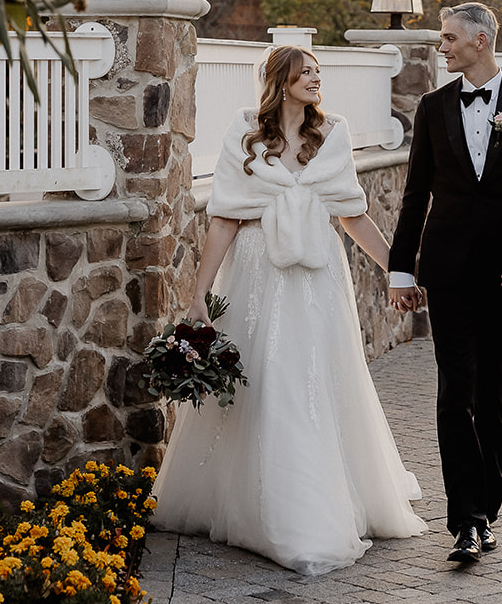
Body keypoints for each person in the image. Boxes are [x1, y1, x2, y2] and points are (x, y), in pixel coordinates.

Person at [153, 46, 427, 576]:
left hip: (318, 278)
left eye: (319, 73)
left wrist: (399, 270)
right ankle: (267, 507)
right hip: (259, 276)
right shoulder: (244, 132)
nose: (317, 80)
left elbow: (353, 215)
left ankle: (322, 499)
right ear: (280, 82)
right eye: (306, 74)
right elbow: (224, 221)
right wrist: (197, 296)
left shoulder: (336, 134)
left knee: (318, 380)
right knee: (267, 379)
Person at [388, 2, 502, 564]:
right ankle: (464, 518)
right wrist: (400, 269)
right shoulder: (433, 106)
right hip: (446, 270)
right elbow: (415, 195)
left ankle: (488, 506)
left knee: (492, 391)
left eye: (449, 38)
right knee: (453, 389)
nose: (441, 47)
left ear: (481, 41)